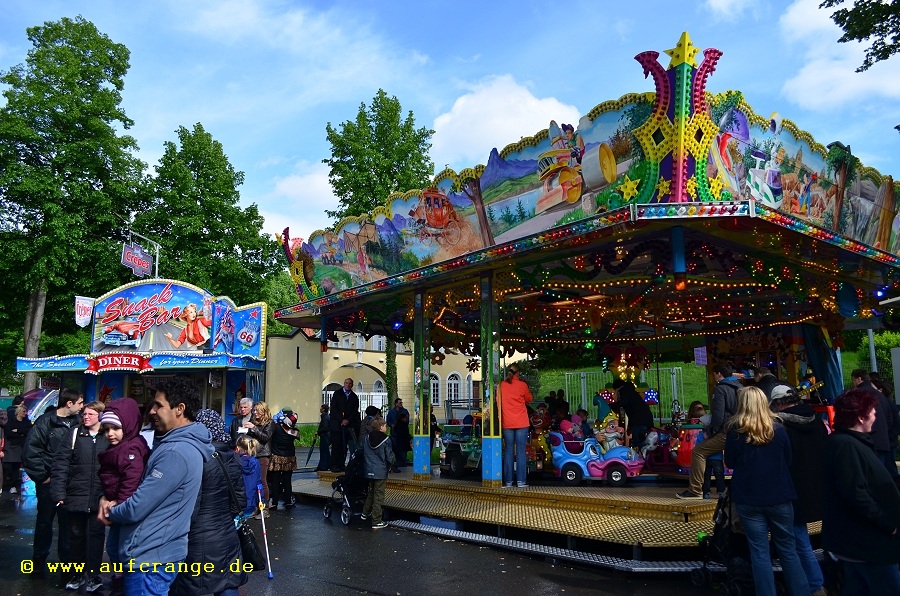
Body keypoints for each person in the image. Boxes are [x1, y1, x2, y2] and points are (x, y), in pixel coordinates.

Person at [98, 376, 213, 595]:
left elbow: (136, 507)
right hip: (153, 553)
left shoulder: (176, 452)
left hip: (151, 558)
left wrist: (110, 510)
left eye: (158, 405)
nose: (151, 411)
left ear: (179, 409)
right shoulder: (172, 444)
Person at [724, 386, 809, 596]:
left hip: (749, 497)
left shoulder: (736, 432)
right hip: (779, 495)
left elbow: (730, 462)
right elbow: (788, 459)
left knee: (759, 552)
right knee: (788, 550)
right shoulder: (779, 430)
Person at [822, 388, 900, 594]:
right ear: (860, 417)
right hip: (866, 542)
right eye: (872, 411)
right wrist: (888, 523)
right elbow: (856, 494)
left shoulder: (849, 442)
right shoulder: (846, 445)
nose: (875, 415)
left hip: (858, 541)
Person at [171, 409, 247, 596]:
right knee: (227, 582)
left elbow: (190, 505)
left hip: (197, 536)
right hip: (227, 533)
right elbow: (240, 501)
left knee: (192, 584)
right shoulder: (232, 456)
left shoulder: (195, 456)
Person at [768, 384, 828, 596]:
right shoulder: (817, 421)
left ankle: (813, 585)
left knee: (797, 541)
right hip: (816, 487)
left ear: (779, 404)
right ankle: (820, 581)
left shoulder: (780, 427)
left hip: (791, 488)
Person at [23, 388, 84, 570]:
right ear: (69, 403)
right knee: (44, 521)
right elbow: (31, 451)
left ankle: (66, 562)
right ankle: (39, 559)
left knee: (68, 523)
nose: (82, 407)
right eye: (80, 403)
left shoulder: (79, 423)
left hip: (70, 482)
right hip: (50, 482)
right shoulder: (45, 422)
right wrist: (43, 476)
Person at [51, 401, 108, 592]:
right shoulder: (75, 434)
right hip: (76, 495)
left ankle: (93, 575)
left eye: (91, 414)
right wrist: (59, 492)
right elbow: (61, 464)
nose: (86, 417)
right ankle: (76, 574)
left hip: (99, 496)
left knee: (96, 537)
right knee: (75, 537)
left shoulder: (107, 436)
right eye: (85, 413)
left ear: (100, 415)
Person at [97, 397, 150, 595]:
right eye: (106, 429)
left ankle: (123, 581)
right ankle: (120, 578)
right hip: (116, 505)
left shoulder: (130, 448)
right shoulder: (119, 447)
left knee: (119, 548)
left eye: (115, 428)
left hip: (123, 509)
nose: (110, 434)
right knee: (114, 547)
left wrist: (119, 505)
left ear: (127, 426)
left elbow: (131, 481)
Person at [677, 363, 741, 499]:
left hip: (726, 431)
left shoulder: (721, 389)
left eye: (714, 374)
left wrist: (710, 432)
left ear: (719, 374)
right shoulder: (740, 387)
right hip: (739, 430)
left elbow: (718, 415)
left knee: (698, 452)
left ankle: (695, 490)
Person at [850, 369, 897, 478]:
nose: (853, 383)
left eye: (853, 380)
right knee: (881, 476)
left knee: (868, 477)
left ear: (859, 379)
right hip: (883, 441)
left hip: (864, 442)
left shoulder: (857, 394)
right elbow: (889, 419)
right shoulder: (880, 396)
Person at [499, 363, 533, 488]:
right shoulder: (522, 385)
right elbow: (529, 399)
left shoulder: (502, 385)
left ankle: (508, 481)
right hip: (521, 422)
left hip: (507, 422)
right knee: (520, 451)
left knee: (508, 451)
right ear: (518, 372)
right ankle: (521, 481)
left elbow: (498, 401)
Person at [360, 416, 394, 529]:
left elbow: (361, 450)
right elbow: (389, 456)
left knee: (371, 492)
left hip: (369, 470)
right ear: (381, 427)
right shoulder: (386, 440)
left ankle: (364, 513)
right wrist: (392, 464)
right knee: (379, 496)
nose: (386, 427)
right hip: (380, 471)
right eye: (385, 425)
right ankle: (376, 521)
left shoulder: (366, 438)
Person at [608, 380, 654, 447]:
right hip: (645, 419)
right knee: (645, 440)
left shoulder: (624, 390)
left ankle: (640, 452)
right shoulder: (632, 392)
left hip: (638, 421)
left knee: (639, 441)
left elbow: (623, 402)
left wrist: (610, 406)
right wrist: (630, 425)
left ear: (617, 388)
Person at [246, 402, 274, 508]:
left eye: (257, 410)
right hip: (252, 453)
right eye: (254, 410)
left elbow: (265, 437)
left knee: (262, 480)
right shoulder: (253, 421)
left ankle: (265, 507)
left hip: (263, 454)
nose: (255, 412)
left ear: (264, 411)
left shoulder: (270, 423)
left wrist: (254, 428)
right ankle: (256, 506)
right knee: (253, 481)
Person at [268, 410, 298, 510]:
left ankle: (275, 503)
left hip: (277, 457)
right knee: (287, 481)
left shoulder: (276, 428)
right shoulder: (295, 431)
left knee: (275, 481)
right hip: (289, 458)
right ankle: (288, 501)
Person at [329, 378, 360, 472]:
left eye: (350, 383)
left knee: (344, 446)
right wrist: (341, 419)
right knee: (336, 446)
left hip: (347, 426)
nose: (348, 385)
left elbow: (354, 411)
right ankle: (334, 465)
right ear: (344, 383)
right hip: (337, 425)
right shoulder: (337, 394)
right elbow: (334, 408)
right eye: (346, 383)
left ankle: (341, 464)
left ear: (352, 385)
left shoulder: (354, 397)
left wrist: (347, 420)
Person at [4, 402, 30, 493]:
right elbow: (8, 432)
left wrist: (18, 431)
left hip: (20, 446)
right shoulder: (11, 421)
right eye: (23, 411)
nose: (25, 413)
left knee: (16, 466)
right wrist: (21, 434)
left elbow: (28, 431)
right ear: (18, 412)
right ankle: (6, 483)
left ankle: (14, 485)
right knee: (8, 466)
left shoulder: (26, 422)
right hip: (11, 445)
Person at [236, 435, 264, 518]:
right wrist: (261, 501)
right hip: (251, 502)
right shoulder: (256, 462)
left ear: (238, 447)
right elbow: (259, 483)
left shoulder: (235, 462)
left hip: (237, 502)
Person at [386, 398, 411, 468]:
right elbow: (388, 421)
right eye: (400, 403)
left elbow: (407, 421)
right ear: (396, 404)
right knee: (395, 446)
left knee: (403, 447)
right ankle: (397, 460)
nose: (401, 404)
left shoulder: (404, 411)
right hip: (394, 432)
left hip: (403, 433)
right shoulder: (391, 412)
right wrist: (392, 425)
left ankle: (403, 460)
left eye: (401, 403)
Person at [314, 404, 331, 472]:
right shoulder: (326, 417)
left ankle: (323, 466)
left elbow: (325, 428)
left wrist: (318, 432)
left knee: (324, 452)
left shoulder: (325, 418)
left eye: (321, 408)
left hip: (325, 436)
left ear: (323, 409)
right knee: (325, 452)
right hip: (326, 436)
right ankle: (325, 465)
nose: (320, 409)